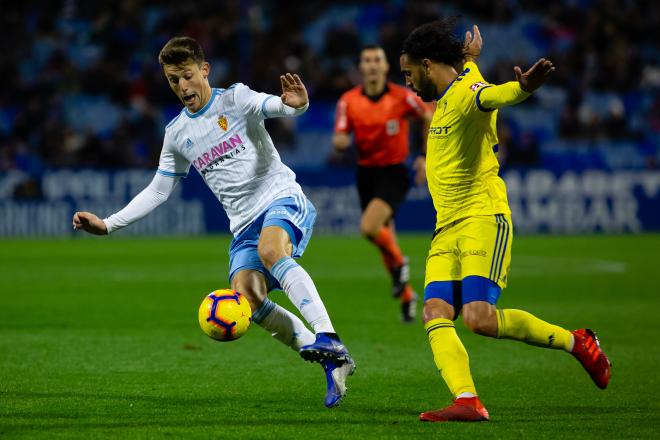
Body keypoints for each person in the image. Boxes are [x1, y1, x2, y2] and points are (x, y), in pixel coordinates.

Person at [72, 36, 355, 408]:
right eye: (173, 80)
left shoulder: (234, 99)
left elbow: (273, 105)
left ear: (204, 70)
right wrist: (108, 225)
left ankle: (327, 334)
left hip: (281, 198)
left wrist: (295, 108)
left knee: (271, 250)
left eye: (187, 75)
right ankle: (332, 361)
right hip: (242, 226)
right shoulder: (176, 134)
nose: (182, 86)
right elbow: (158, 191)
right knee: (249, 296)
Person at [399, 19, 611, 422]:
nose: (408, 83)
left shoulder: (466, 94)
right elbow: (474, 77)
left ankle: (578, 342)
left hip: (482, 217)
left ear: (427, 65)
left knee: (479, 319)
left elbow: (493, 95)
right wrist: (471, 58)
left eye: (409, 73)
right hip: (446, 228)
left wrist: (525, 87)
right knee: (435, 311)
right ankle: (467, 401)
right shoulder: (452, 90)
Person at [332, 45, 433, 322]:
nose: (373, 64)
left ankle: (402, 266)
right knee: (384, 239)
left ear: (386, 67)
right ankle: (407, 295)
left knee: (369, 227)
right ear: (361, 68)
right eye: (367, 60)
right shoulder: (348, 101)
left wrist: (424, 156)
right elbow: (340, 135)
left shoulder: (402, 97)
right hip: (365, 174)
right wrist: (340, 142)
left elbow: (428, 115)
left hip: (394, 171)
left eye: (377, 59)